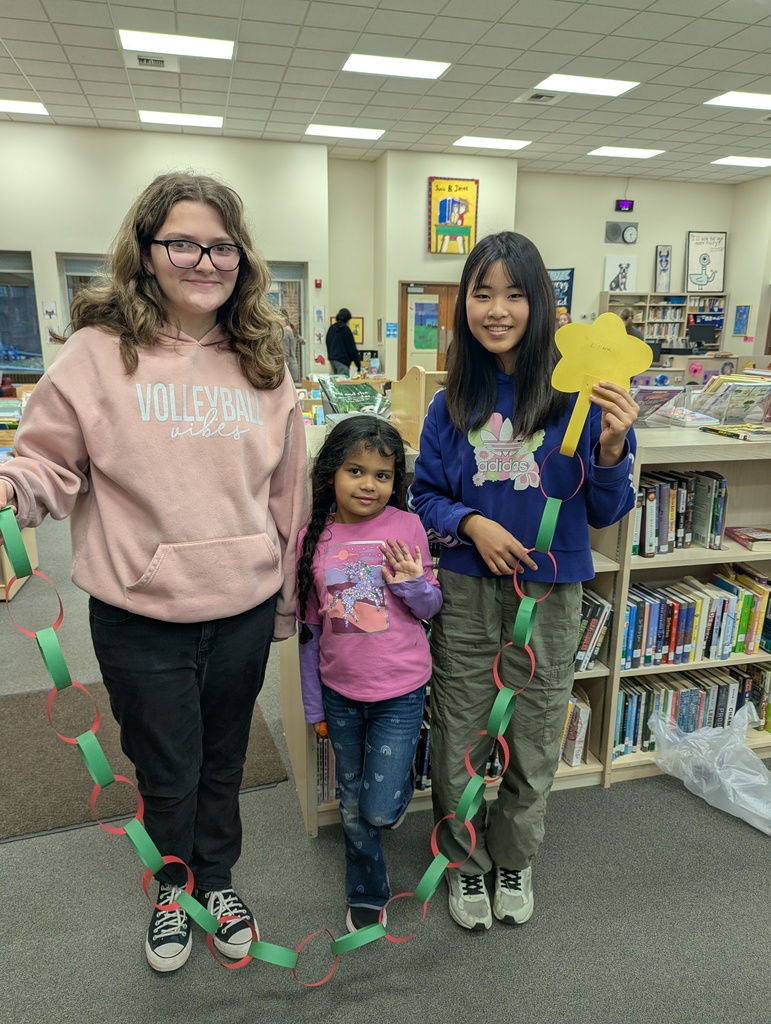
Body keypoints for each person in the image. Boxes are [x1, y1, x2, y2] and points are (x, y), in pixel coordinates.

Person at [0, 172, 308, 972]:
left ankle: (220, 880)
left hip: (240, 605)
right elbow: (46, 466)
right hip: (139, 614)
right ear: (145, 251)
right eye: (183, 243)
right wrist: (12, 488)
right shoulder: (98, 356)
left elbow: (289, 500)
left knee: (224, 759)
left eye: (221, 246)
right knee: (166, 767)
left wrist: (285, 603)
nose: (204, 261)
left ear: (241, 258)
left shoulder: (265, 362)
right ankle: (175, 888)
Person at [408, 231, 638, 932]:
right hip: (470, 592)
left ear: (541, 305)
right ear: (464, 307)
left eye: (514, 293)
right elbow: (422, 497)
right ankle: (466, 864)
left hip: (550, 592)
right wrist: (471, 523)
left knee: (535, 733)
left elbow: (606, 509)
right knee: (460, 734)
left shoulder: (581, 398)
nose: (498, 309)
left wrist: (609, 450)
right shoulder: (450, 404)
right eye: (482, 293)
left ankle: (513, 856)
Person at [296, 416, 442, 932]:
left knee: (378, 807)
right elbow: (309, 630)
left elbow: (430, 606)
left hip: (400, 691)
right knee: (352, 804)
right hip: (339, 693)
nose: (368, 484)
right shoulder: (314, 535)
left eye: (382, 475)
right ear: (331, 472)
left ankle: (394, 798)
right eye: (356, 470)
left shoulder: (406, 526)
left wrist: (410, 584)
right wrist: (314, 705)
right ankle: (365, 889)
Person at [325, 307, 361, 376]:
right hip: (342, 361)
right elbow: (352, 348)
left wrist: (331, 356)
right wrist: (358, 365)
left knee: (336, 383)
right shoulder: (345, 330)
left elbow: (328, 342)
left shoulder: (331, 328)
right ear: (347, 319)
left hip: (333, 360)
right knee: (343, 384)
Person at [280, 306, 301, 383]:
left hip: (288, 368)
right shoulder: (291, 328)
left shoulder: (285, 332)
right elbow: (300, 339)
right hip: (293, 366)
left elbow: (285, 354)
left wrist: (284, 372)